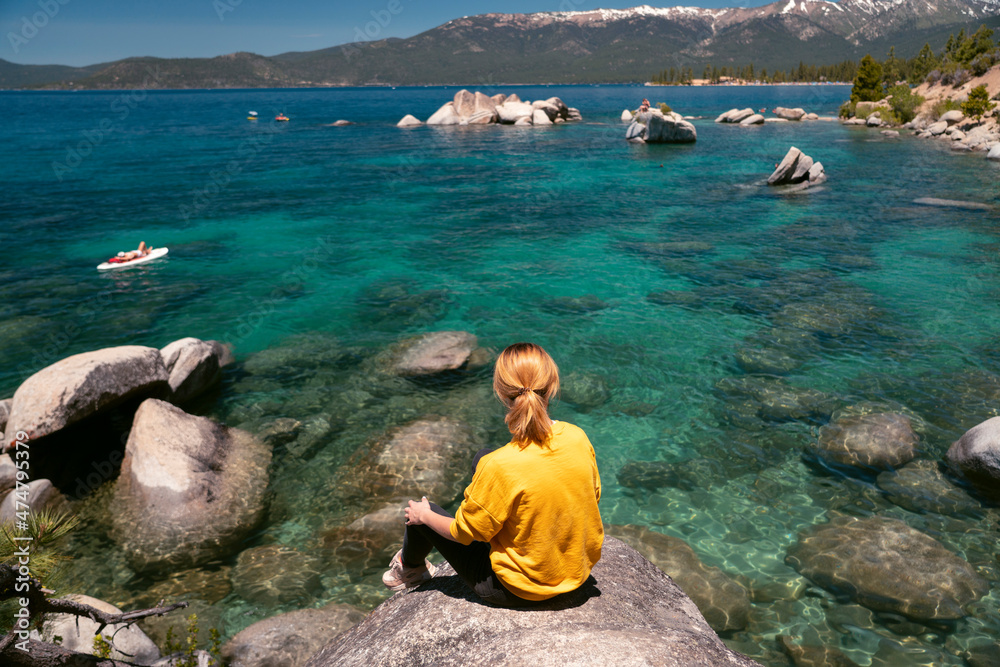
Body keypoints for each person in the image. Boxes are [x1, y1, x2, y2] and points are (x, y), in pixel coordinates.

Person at [382, 342, 603, 607]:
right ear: (552, 385)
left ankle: (410, 569)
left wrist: (424, 515)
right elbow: (593, 494)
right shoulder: (577, 436)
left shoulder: (501, 466)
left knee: (420, 515)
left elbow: (464, 533)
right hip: (575, 573)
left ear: (501, 393)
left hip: (516, 588)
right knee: (483, 456)